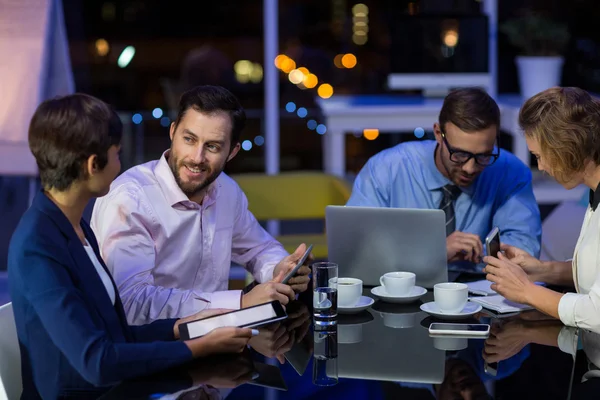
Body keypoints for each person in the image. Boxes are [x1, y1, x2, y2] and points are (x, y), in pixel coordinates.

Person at [7, 94, 258, 400]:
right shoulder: (38, 245)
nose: (120, 164)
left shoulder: (74, 226)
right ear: (92, 165)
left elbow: (116, 335)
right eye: (116, 153)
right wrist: (197, 347)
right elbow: (97, 362)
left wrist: (183, 327)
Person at [91, 85, 310, 325]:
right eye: (189, 139)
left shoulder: (226, 190)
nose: (197, 157)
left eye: (213, 146)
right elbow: (131, 303)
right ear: (173, 132)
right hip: (151, 351)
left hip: (215, 341)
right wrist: (239, 303)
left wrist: (280, 268)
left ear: (232, 152)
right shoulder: (130, 199)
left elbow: (258, 249)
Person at [346, 87, 541, 274]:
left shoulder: (510, 171)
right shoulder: (387, 168)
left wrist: (479, 252)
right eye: (459, 154)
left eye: (484, 156)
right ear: (438, 134)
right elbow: (355, 249)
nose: (469, 168)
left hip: (479, 296)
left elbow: (526, 251)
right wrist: (433, 252)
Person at [484, 87, 600, 333]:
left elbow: (596, 314)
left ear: (568, 146)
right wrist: (543, 269)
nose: (543, 167)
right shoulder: (594, 195)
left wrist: (527, 290)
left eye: (539, 156)